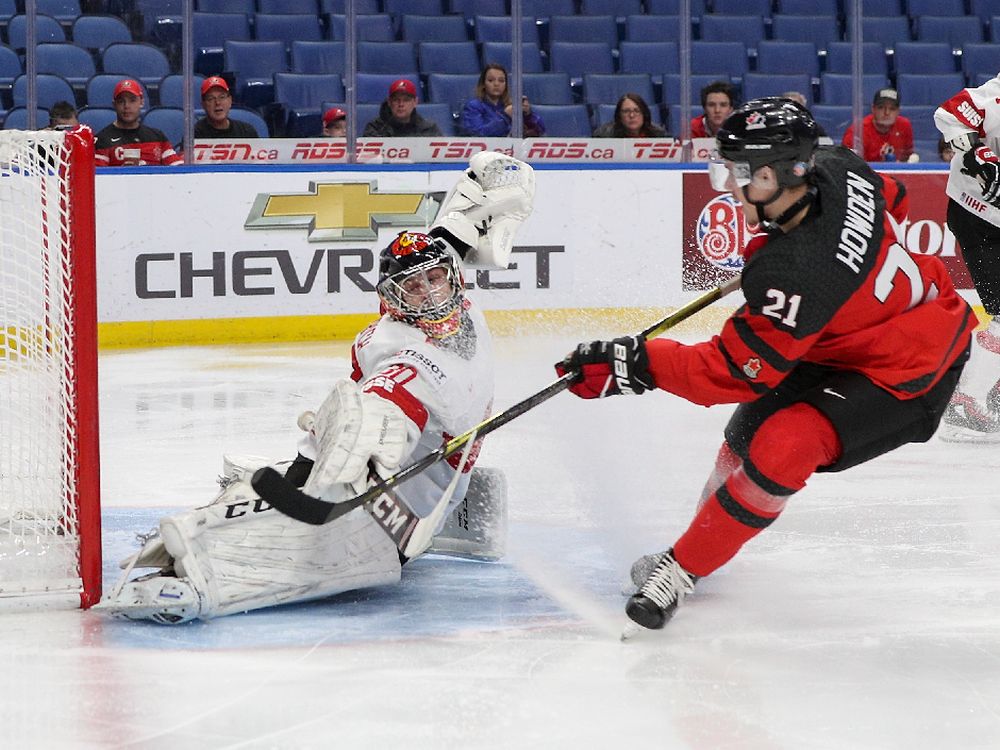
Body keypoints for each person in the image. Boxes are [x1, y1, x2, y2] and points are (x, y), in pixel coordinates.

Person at [556, 97, 975, 633]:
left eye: (739, 173)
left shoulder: (795, 272)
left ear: (777, 175)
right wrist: (811, 245)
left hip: (912, 367)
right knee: (746, 430)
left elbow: (732, 371)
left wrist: (637, 363)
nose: (731, 185)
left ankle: (680, 570)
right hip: (838, 339)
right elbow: (893, 202)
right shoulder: (836, 167)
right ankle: (697, 546)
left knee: (784, 445)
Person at [98, 153, 536, 624]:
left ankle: (223, 548)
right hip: (411, 499)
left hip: (406, 521)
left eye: (435, 278)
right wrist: (316, 463)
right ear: (391, 297)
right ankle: (224, 533)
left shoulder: (443, 313)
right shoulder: (405, 357)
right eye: (414, 287)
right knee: (325, 459)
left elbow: (458, 223)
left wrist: (496, 179)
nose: (430, 293)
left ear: (452, 275)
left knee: (320, 477)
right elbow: (380, 406)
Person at [933, 75, 1000, 442]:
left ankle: (994, 396)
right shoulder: (995, 99)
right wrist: (977, 154)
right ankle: (962, 407)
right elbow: (948, 113)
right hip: (976, 218)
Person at [94, 78, 183, 166]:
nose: (127, 106)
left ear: (141, 102)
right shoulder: (102, 140)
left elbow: (177, 167)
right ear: (114, 105)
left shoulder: (157, 137)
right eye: (121, 101)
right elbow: (99, 176)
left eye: (132, 100)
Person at [459, 63, 545, 137]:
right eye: (491, 80)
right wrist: (506, 116)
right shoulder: (473, 106)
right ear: (483, 84)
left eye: (501, 81)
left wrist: (528, 115)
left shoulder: (510, 105)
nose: (496, 84)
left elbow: (541, 131)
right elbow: (476, 134)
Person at [841, 87, 915, 163]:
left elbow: (907, 157)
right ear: (873, 109)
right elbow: (848, 164)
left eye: (892, 109)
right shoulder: (858, 131)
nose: (887, 113)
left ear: (898, 111)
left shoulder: (904, 125)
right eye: (881, 108)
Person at [362, 78, 442, 137]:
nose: (401, 104)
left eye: (406, 100)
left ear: (415, 102)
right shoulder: (375, 128)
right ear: (389, 102)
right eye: (396, 100)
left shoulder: (429, 129)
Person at [194, 76, 260, 139]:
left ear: (230, 100)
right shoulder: (195, 135)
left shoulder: (247, 132)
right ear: (203, 105)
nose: (217, 102)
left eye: (222, 97)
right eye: (211, 98)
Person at [592, 93, 667, 138]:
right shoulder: (603, 135)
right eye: (626, 111)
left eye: (637, 111)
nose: (631, 115)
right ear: (619, 116)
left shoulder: (659, 134)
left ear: (644, 113)